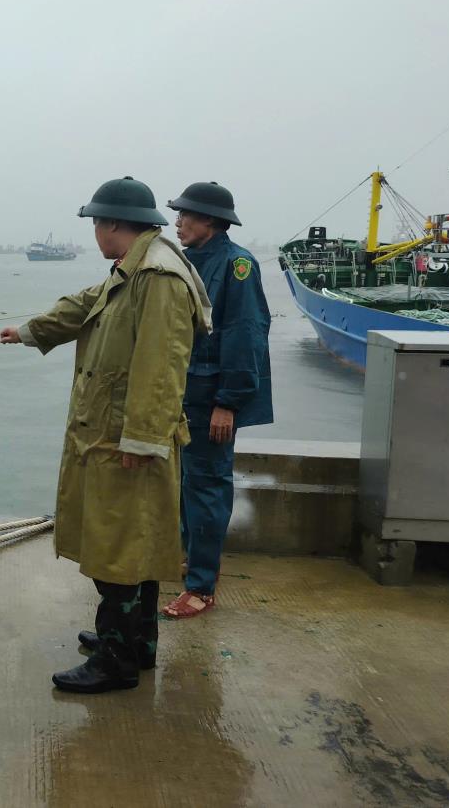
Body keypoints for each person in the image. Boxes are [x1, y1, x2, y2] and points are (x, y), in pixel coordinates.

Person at [0, 177, 211, 693]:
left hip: (125, 441)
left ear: (112, 224)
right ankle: (136, 643)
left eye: (96, 223)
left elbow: (161, 366)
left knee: (116, 551)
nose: (95, 233)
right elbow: (86, 304)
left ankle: (115, 660)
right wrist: (31, 331)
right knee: (132, 544)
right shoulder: (133, 268)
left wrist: (142, 439)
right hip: (114, 435)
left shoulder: (157, 277)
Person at [161, 182, 272, 619]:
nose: (178, 222)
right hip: (185, 395)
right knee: (189, 485)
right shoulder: (189, 262)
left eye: (185, 215)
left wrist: (229, 402)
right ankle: (193, 560)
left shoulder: (237, 265)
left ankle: (201, 587)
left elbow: (246, 334)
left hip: (212, 400)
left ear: (208, 219)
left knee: (207, 488)